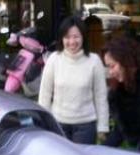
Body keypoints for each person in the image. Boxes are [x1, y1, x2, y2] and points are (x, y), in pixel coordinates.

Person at [38, 16, 108, 145]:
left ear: (83, 37)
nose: (72, 42)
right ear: (62, 39)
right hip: (58, 124)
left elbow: (100, 96)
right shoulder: (54, 59)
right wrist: (44, 122)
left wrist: (103, 126)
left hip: (85, 126)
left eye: (76, 37)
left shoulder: (94, 61)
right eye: (67, 37)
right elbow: (45, 94)